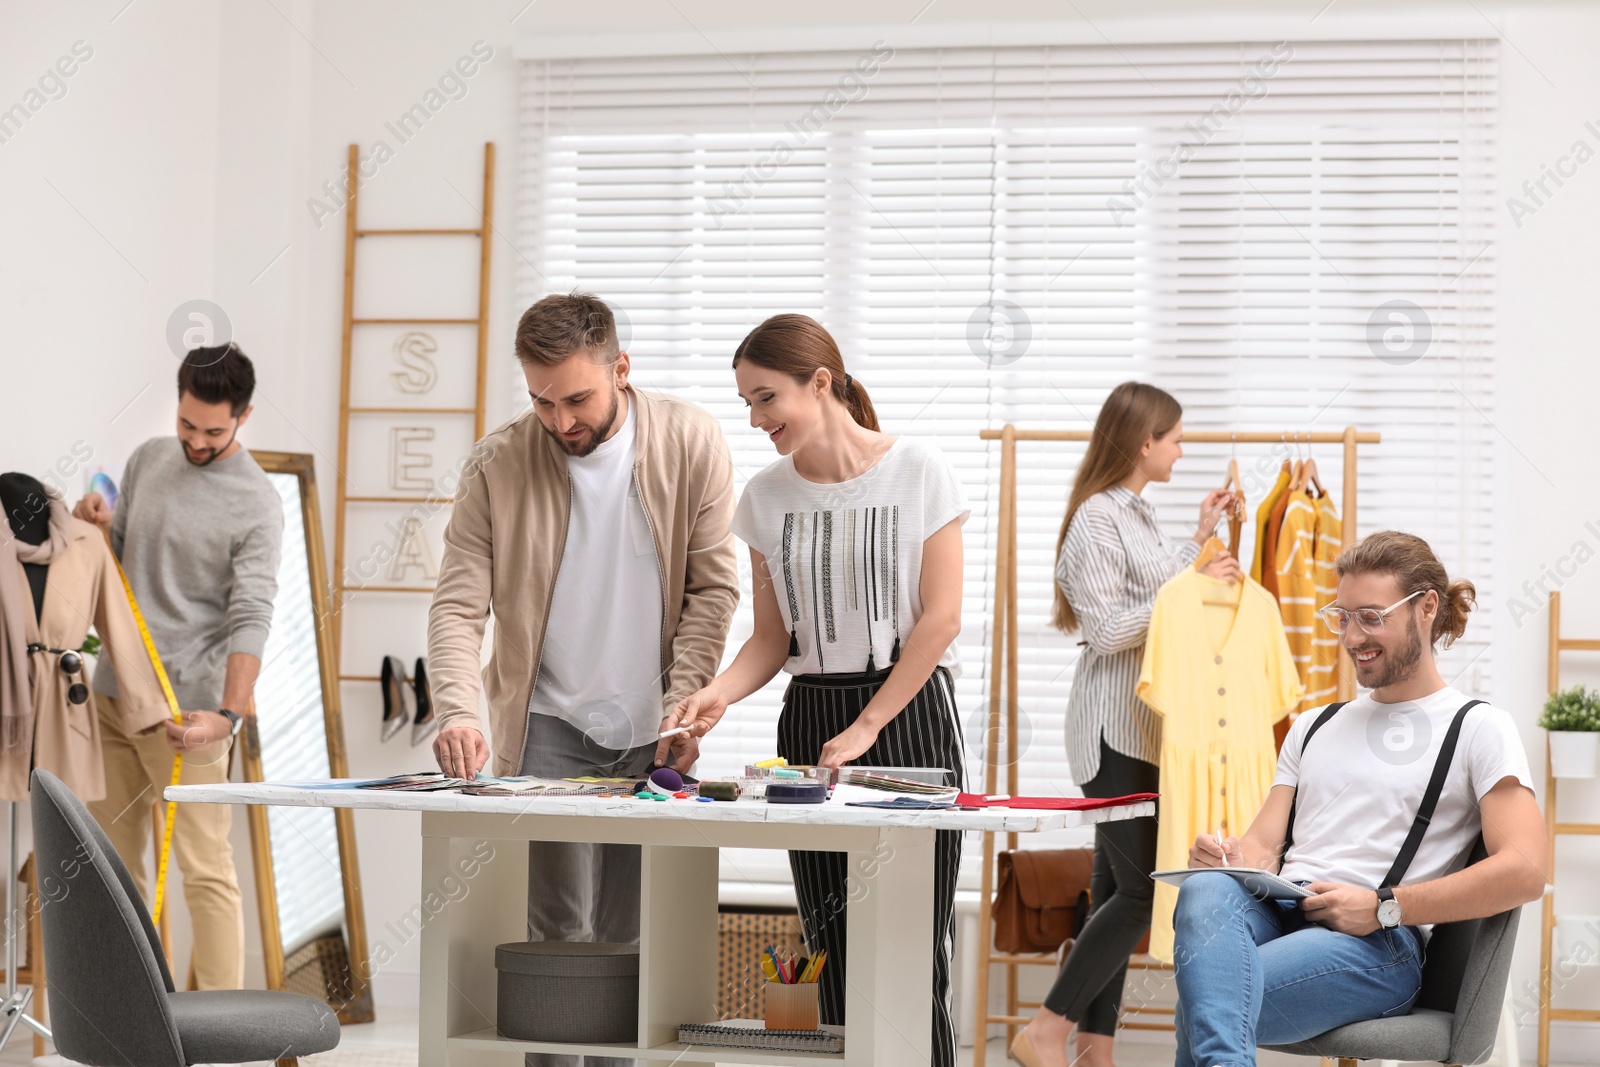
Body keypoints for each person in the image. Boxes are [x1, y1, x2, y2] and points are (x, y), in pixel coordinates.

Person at [426, 291, 738, 1067]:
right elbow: (458, 607)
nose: (561, 421)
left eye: (577, 398)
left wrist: (685, 708)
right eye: (540, 400)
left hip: (655, 725)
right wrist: (459, 710)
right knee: (558, 931)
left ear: (621, 370)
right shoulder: (498, 463)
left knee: (639, 935)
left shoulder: (692, 441)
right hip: (551, 724)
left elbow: (714, 588)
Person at [668, 314, 970, 1067]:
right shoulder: (765, 499)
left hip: (908, 715)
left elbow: (941, 619)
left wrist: (870, 723)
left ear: (821, 383)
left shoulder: (920, 470)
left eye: (767, 397)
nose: (756, 418)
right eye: (746, 402)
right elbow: (772, 638)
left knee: (909, 941)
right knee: (829, 941)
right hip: (809, 723)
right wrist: (718, 694)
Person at [1167, 530, 1545, 1066]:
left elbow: (1526, 869)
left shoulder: (1478, 728)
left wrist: (1386, 906)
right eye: (1341, 617)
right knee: (1205, 889)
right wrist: (1226, 860)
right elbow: (1260, 848)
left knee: (1208, 995)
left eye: (1370, 617)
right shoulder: (1312, 725)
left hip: (1377, 944)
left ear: (1426, 609)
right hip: (1277, 910)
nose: (1350, 637)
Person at [1011, 381, 1238, 1067]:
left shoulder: (1138, 515)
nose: (1180, 447)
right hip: (1112, 729)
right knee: (1144, 889)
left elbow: (1158, 591)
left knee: (1114, 890)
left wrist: (1198, 540)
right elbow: (1110, 629)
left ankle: (1093, 1049)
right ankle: (1047, 1028)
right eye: (1173, 436)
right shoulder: (1095, 519)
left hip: (1147, 728)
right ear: (1144, 441)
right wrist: (1195, 587)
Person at [75, 343, 283, 990]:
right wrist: (95, 523)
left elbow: (251, 611)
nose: (195, 439)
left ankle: (224, 1029)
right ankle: (126, 1013)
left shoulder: (256, 502)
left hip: (186, 713)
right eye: (187, 423)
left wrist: (227, 714)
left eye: (213, 430)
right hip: (113, 694)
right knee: (116, 867)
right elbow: (119, 559)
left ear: (243, 417)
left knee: (204, 868)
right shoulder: (148, 459)